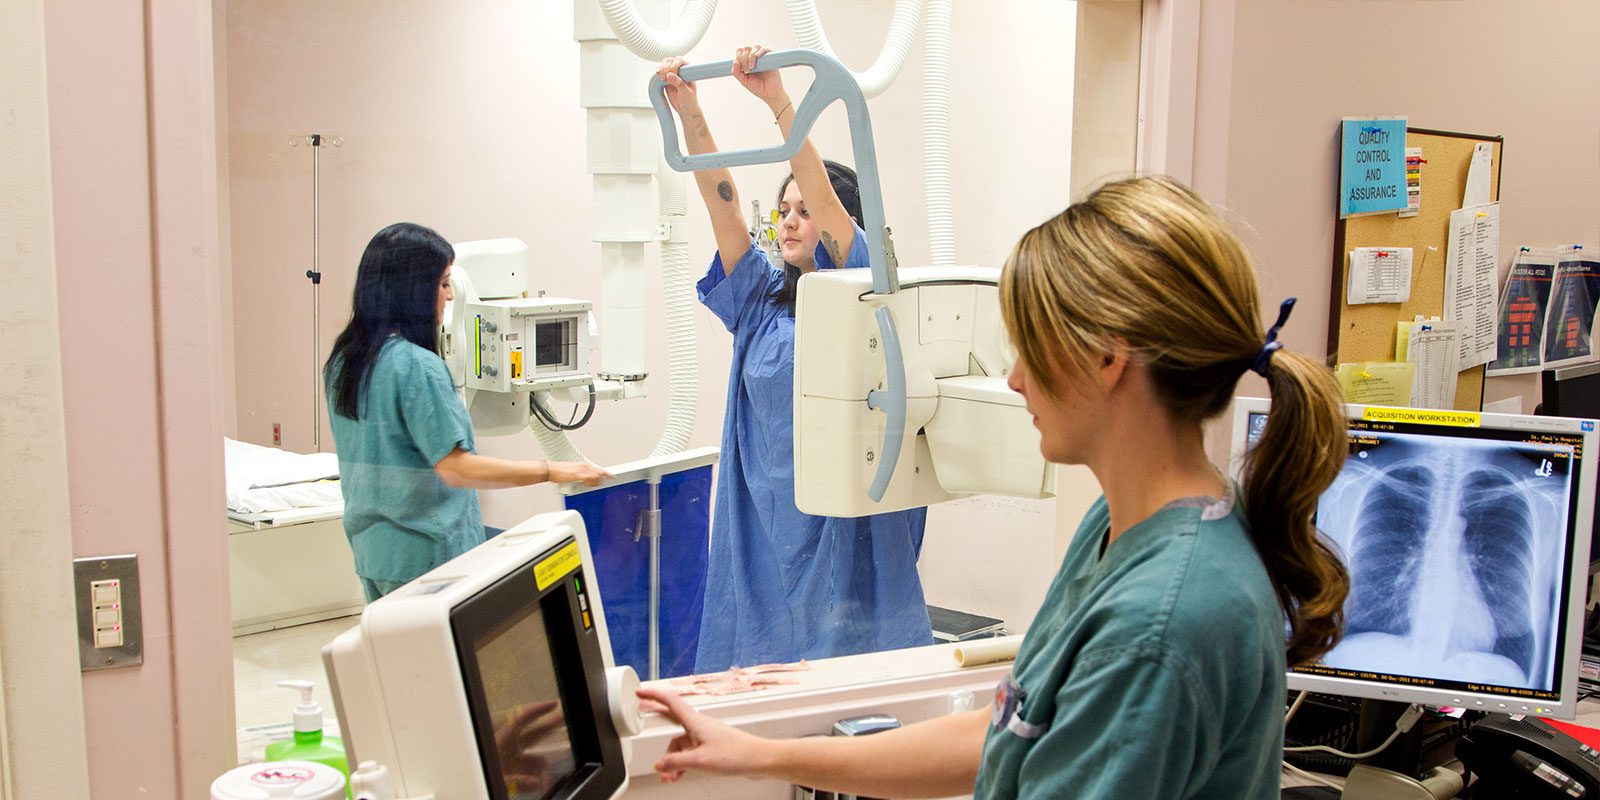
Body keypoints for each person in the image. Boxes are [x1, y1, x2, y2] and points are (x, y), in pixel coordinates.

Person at [636, 176, 1353, 799]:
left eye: (1029, 344)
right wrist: (766, 755)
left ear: (1108, 357)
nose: (1011, 378)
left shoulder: (1159, 627)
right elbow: (1005, 735)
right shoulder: (1119, 526)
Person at [656, 46, 932, 672]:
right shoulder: (759, 301)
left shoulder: (862, 288)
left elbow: (827, 212)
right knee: (760, 676)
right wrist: (689, 112)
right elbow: (723, 207)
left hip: (841, 532)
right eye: (783, 211)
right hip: (763, 530)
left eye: (804, 212)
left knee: (850, 686)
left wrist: (780, 102)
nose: (789, 221)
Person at [324, 222, 610, 602]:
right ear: (413, 290)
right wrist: (551, 470)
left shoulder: (344, 361)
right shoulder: (417, 366)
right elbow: (457, 468)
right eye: (443, 284)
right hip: (429, 557)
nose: (447, 296)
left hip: (374, 552)